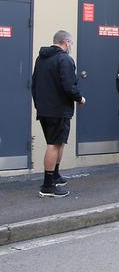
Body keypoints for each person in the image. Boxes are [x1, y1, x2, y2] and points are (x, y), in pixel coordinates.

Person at [31, 30, 86, 198]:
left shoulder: (41, 59)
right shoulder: (65, 59)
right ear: (66, 42)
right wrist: (80, 98)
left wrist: (39, 104)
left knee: (58, 143)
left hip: (45, 109)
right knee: (54, 145)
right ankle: (47, 186)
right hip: (58, 110)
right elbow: (69, 86)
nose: (71, 47)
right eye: (71, 44)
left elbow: (34, 84)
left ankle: (55, 175)